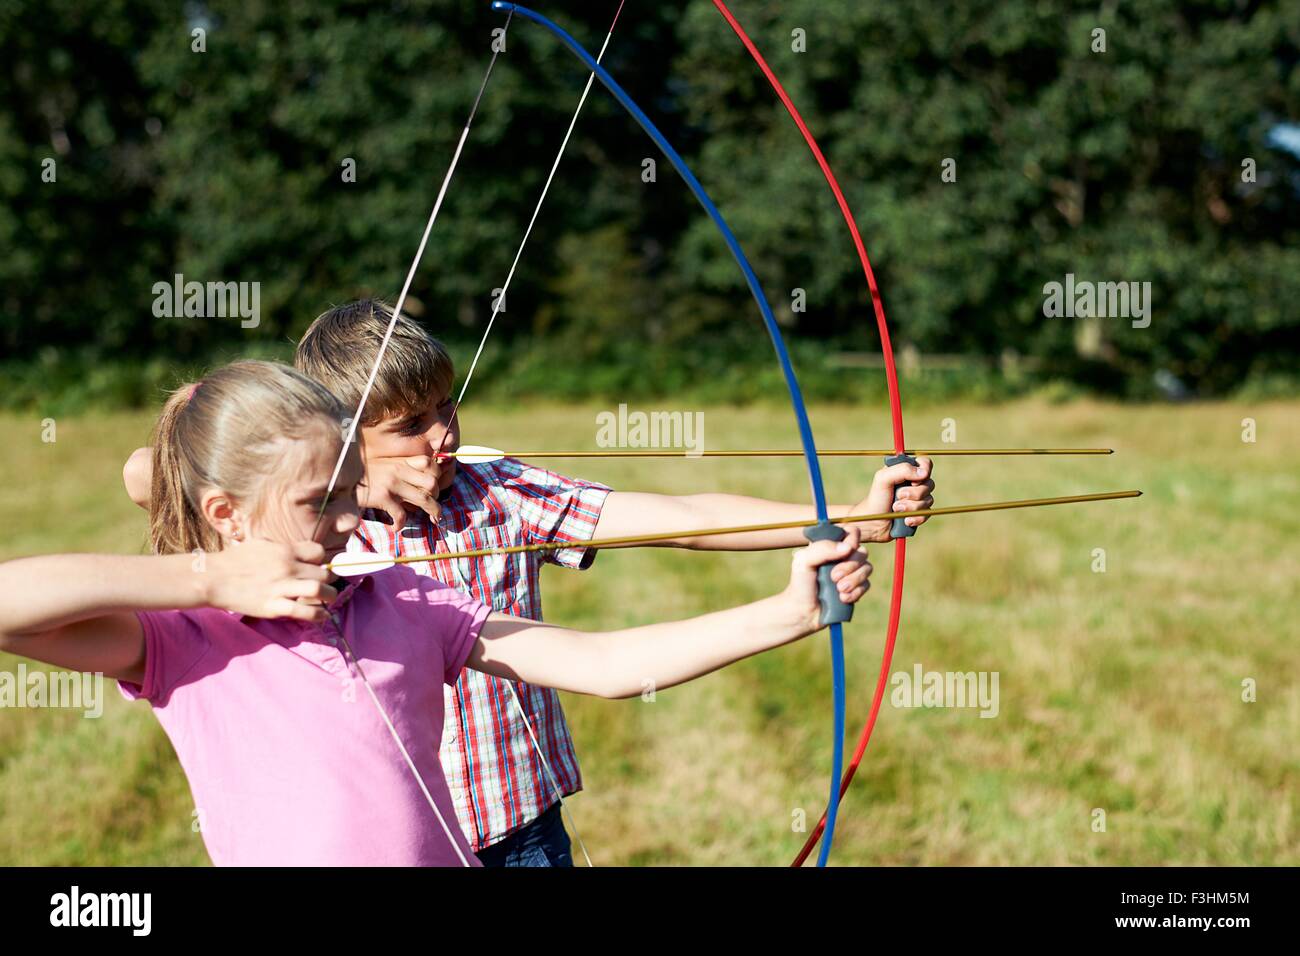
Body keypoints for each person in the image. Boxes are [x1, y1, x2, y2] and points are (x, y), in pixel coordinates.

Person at [124, 301, 936, 865]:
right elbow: (151, 471)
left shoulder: (494, 488)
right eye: (409, 426)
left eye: (447, 407)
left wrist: (844, 519)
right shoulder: (302, 529)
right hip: (386, 833)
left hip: (520, 820)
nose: (441, 435)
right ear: (336, 441)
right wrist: (353, 492)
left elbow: (674, 514)